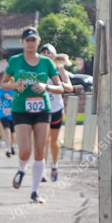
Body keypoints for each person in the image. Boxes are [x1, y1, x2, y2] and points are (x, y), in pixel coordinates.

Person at [1, 27, 64, 204]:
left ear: (38, 41)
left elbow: (61, 88)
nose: (30, 43)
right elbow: (3, 83)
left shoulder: (47, 63)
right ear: (22, 42)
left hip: (42, 109)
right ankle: (21, 169)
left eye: (33, 40)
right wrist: (14, 85)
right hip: (21, 109)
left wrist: (47, 87)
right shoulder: (15, 61)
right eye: (27, 40)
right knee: (25, 149)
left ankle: (34, 192)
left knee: (39, 151)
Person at [39, 45, 74, 181]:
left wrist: (56, 85)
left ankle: (54, 165)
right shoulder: (38, 70)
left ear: (54, 55)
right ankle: (42, 170)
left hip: (56, 109)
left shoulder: (59, 70)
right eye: (44, 53)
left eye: (49, 53)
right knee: (43, 141)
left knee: (53, 141)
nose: (46, 55)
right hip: (42, 109)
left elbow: (69, 87)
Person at [0, 86, 15, 158]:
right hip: (3, 114)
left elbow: (17, 100)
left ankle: (12, 146)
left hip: (12, 114)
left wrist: (10, 98)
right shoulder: (0, 90)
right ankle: (8, 149)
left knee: (12, 133)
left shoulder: (14, 89)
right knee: (7, 130)